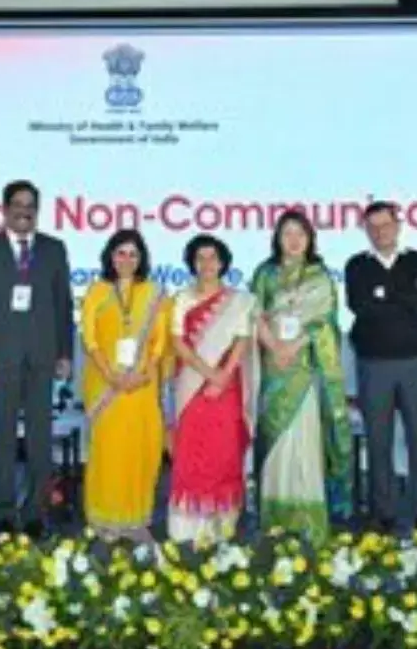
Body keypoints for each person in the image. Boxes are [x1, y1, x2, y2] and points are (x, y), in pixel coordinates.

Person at [0, 180, 75, 539]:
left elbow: (63, 304)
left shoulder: (54, 249)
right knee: (2, 438)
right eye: (17, 204)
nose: (24, 211)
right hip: (0, 359)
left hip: (43, 357)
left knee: (40, 441)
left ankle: (35, 513)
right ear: (4, 209)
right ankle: (2, 513)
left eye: (30, 205)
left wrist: (65, 352)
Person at [250, 210, 353, 542]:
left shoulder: (320, 277)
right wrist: (275, 347)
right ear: (277, 238)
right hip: (273, 367)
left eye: (300, 234)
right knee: (276, 439)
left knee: (305, 440)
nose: (294, 241)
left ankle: (309, 520)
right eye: (287, 234)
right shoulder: (265, 274)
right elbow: (254, 315)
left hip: (305, 367)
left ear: (310, 239)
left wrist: (293, 346)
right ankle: (275, 519)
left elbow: (324, 322)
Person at [345, 202, 417, 533]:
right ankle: (382, 511)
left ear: (398, 226)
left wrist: (384, 296)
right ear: (365, 230)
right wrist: (401, 296)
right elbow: (360, 306)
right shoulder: (357, 265)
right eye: (373, 227)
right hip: (374, 363)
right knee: (378, 440)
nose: (380, 232)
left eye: (386, 225)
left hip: (416, 361)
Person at [79, 229, 170, 542]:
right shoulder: (97, 291)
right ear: (110, 256)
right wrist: (112, 375)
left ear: (141, 259)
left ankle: (135, 519)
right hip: (106, 386)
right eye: (121, 253)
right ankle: (104, 520)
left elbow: (160, 342)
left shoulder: (154, 293)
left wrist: (143, 374)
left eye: (133, 254)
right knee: (108, 451)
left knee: (140, 450)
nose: (127, 260)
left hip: (142, 387)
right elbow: (89, 339)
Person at [167, 235, 256, 544]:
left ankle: (222, 525)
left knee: (224, 453)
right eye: (200, 258)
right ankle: (187, 529)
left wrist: (223, 376)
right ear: (192, 263)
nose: (207, 264)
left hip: (227, 389)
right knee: (191, 454)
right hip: (192, 387)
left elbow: (242, 339)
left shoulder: (240, 300)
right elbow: (178, 343)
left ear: (223, 262)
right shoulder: (181, 299)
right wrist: (209, 374)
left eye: (213, 257)